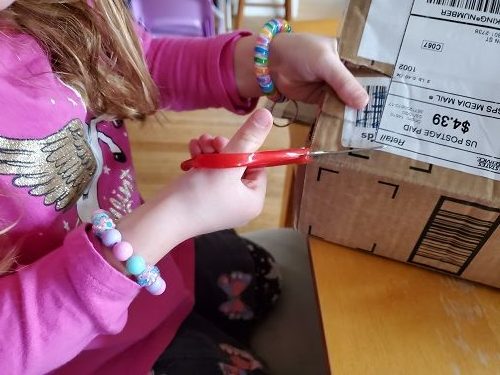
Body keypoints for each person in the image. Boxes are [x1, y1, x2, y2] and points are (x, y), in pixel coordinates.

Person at [0, 1, 368, 374]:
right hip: (91, 356)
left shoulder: (34, 10)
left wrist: (266, 62)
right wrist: (178, 214)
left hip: (160, 262)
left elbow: (138, 61)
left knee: (264, 279)